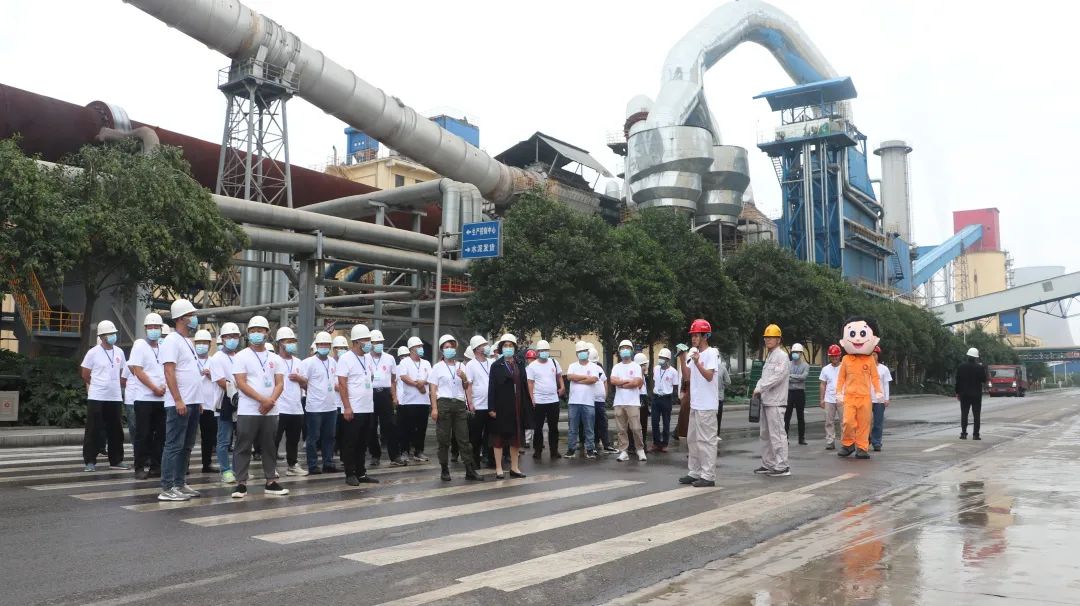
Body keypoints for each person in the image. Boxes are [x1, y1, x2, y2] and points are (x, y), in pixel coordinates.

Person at [230, 315, 290, 498]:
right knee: (243, 445)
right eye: (253, 331)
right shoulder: (241, 356)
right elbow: (241, 383)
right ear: (248, 334)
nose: (256, 333)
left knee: (269, 446)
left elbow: (280, 383)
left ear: (267, 333)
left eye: (260, 330)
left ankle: (271, 481)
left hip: (270, 410)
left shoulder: (275, 358)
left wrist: (270, 401)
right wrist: (263, 400)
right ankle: (241, 483)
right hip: (248, 409)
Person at [158, 299, 205, 501]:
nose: (194, 318)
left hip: (192, 402)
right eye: (191, 315)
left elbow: (191, 372)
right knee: (174, 445)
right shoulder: (171, 340)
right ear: (181, 318)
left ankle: (179, 483)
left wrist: (198, 400)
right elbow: (169, 372)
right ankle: (167, 488)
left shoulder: (187, 341)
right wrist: (178, 400)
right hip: (179, 403)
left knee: (186, 446)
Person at [429, 335, 483, 482]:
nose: (450, 350)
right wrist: (434, 408)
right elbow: (433, 389)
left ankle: (469, 469)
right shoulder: (437, 367)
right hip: (443, 403)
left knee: (464, 438)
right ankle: (444, 469)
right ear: (442, 350)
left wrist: (464, 377)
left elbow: (466, 386)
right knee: (443, 439)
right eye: (446, 347)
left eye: (452, 347)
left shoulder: (461, 366)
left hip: (459, 404)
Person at [80, 320, 128, 472]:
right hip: (97, 397)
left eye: (113, 333)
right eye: (109, 334)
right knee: (93, 429)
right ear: (101, 336)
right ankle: (90, 461)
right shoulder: (93, 353)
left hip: (114, 397)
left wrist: (115, 385)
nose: (113, 336)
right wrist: (97, 385)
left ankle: (116, 460)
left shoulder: (119, 352)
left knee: (116, 430)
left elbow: (123, 373)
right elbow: (85, 374)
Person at [336, 324, 380, 486]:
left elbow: (370, 377)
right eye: (366, 340)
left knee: (363, 443)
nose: (369, 343)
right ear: (356, 341)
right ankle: (350, 473)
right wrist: (347, 407)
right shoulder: (346, 358)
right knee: (350, 443)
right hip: (353, 408)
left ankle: (361, 473)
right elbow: (342, 384)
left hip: (367, 408)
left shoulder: (368, 358)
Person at [678, 319, 720, 486]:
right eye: (692, 335)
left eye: (696, 335)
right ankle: (694, 472)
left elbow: (709, 376)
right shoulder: (693, 353)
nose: (693, 338)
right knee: (693, 440)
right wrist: (683, 359)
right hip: (695, 404)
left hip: (707, 405)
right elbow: (687, 377)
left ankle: (708, 476)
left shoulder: (712, 353)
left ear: (705, 336)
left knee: (706, 441)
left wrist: (697, 362)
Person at [836, 317, 883, 459]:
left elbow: (875, 377)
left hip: (864, 397)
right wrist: (839, 392)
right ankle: (848, 444)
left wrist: (878, 391)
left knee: (864, 423)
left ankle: (862, 448)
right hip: (850, 397)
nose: (857, 339)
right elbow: (841, 378)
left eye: (862, 334)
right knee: (848, 422)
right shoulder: (845, 359)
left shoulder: (869, 360)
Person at [127, 313, 166, 479]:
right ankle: (139, 467)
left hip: (162, 398)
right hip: (144, 398)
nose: (154, 330)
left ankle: (156, 466)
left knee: (161, 434)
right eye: (151, 327)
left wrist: (164, 387)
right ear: (145, 329)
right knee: (143, 434)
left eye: (157, 327)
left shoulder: (163, 347)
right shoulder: (140, 345)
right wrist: (154, 388)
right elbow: (138, 370)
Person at [752, 324, 792, 477]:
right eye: (766, 337)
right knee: (765, 435)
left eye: (771, 337)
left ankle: (782, 465)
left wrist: (761, 388)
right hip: (766, 400)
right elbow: (764, 377)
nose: (768, 340)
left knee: (777, 435)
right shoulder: (769, 356)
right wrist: (758, 388)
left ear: (778, 339)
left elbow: (777, 377)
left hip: (776, 401)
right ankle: (768, 463)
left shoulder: (782, 356)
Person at [487, 334, 527, 479]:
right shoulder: (496, 365)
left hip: (516, 406)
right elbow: (491, 388)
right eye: (505, 346)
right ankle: (498, 468)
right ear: (501, 348)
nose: (508, 348)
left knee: (515, 438)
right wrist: (491, 408)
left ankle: (514, 468)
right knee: (499, 438)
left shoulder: (519, 363)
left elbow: (524, 385)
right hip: (501, 406)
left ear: (515, 348)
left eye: (510, 346)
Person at [301, 331, 339, 474]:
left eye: (326, 344)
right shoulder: (308, 363)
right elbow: (303, 382)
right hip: (315, 407)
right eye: (321, 344)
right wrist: (313, 392)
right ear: (316, 345)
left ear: (330, 346)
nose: (324, 346)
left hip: (331, 406)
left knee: (329, 437)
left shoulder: (333, 362)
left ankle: (328, 463)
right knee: (313, 437)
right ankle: (312, 465)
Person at [273, 327, 308, 477]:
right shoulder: (273, 360)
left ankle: (292, 465)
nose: (292, 344)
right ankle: (271, 466)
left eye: (293, 341)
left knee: (293, 440)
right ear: (280, 343)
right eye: (288, 341)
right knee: (274, 439)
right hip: (279, 408)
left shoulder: (299, 362)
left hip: (296, 408)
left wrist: (300, 379)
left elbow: (306, 385)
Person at [209, 322, 241, 484]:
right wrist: (238, 389)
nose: (232, 339)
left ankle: (237, 469)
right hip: (224, 404)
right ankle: (226, 470)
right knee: (224, 440)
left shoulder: (240, 357)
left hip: (242, 403)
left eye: (235, 336)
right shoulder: (217, 358)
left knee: (240, 439)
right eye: (229, 336)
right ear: (222, 338)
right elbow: (221, 381)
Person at [367, 330, 404, 467]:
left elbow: (393, 379)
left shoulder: (389, 358)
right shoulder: (365, 358)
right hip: (370, 394)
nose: (379, 344)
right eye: (376, 342)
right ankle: (375, 454)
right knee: (371, 426)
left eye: (381, 342)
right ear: (371, 343)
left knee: (390, 425)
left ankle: (395, 456)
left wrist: (394, 397)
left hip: (385, 394)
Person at [526, 339, 564, 460]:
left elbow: (559, 376)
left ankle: (554, 450)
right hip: (539, 401)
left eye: (546, 350)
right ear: (537, 352)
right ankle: (537, 450)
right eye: (542, 350)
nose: (544, 352)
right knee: (538, 428)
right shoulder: (532, 366)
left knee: (554, 427)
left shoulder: (554, 362)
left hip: (553, 400)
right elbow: (530, 383)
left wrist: (562, 386)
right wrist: (532, 398)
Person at [396, 336, 432, 462]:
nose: (421, 348)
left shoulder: (426, 363)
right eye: (418, 346)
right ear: (411, 349)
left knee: (421, 428)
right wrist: (417, 384)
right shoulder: (405, 362)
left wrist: (423, 382)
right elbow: (403, 377)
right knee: (407, 428)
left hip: (424, 401)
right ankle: (404, 451)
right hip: (409, 402)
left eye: (421, 346)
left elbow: (431, 378)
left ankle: (419, 451)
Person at [610, 339, 646, 463]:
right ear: (619, 351)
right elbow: (613, 381)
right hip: (619, 402)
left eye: (627, 348)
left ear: (631, 350)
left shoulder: (636, 366)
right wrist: (628, 381)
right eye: (622, 348)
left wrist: (621, 383)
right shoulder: (616, 367)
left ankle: (640, 449)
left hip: (633, 402)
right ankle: (623, 451)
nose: (625, 350)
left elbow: (637, 382)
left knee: (636, 428)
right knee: (621, 429)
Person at [465, 335, 494, 469]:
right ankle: (475, 461)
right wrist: (470, 403)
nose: (486, 347)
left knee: (491, 434)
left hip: (491, 405)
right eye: (483, 345)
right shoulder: (471, 365)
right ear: (477, 348)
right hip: (477, 405)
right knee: (475, 436)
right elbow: (469, 385)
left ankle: (490, 459)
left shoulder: (492, 362)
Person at [565, 341, 598, 459]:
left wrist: (577, 380)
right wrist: (585, 377)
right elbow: (569, 376)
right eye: (579, 351)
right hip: (574, 402)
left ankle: (590, 449)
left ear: (588, 352)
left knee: (589, 428)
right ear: (576, 353)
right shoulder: (572, 366)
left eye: (584, 351)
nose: (582, 353)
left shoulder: (594, 366)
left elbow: (593, 379)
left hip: (588, 402)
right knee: (572, 428)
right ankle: (571, 449)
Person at [192, 330, 217, 474]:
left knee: (208, 437)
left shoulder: (214, 361)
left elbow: (220, 380)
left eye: (204, 343)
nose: (201, 345)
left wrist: (211, 375)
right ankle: (184, 466)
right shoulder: (190, 360)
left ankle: (206, 464)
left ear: (209, 344)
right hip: (193, 402)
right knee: (188, 437)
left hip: (209, 405)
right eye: (198, 343)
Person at [955, 346, 988, 440]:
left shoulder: (961, 367)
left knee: (964, 414)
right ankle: (976, 435)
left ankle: (963, 434)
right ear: (976, 357)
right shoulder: (979, 367)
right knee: (976, 415)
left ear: (968, 356)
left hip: (964, 394)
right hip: (976, 395)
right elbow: (984, 379)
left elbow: (958, 381)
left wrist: (957, 392)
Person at [589, 346, 617, 454]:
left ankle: (606, 444)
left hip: (600, 401)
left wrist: (605, 395)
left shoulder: (599, 368)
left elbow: (605, 381)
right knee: (591, 424)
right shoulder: (586, 369)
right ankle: (592, 445)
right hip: (590, 401)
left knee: (603, 423)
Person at [650, 348, 678, 453]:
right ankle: (656, 443)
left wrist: (674, 398)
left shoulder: (673, 372)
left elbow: (675, 386)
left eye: (663, 358)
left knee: (666, 422)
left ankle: (665, 443)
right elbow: (654, 381)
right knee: (654, 422)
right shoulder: (656, 368)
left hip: (666, 398)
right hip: (656, 398)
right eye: (660, 357)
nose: (660, 359)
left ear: (668, 359)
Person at [818, 344, 843, 450]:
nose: (834, 358)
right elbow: (822, 384)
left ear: (840, 355)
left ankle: (845, 442)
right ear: (829, 357)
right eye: (832, 356)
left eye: (836, 355)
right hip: (829, 399)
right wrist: (822, 399)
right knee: (829, 421)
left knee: (844, 421)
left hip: (842, 398)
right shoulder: (825, 369)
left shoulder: (845, 367)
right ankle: (830, 441)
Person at [785, 343, 810, 446]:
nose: (795, 353)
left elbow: (803, 377)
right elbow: (785, 377)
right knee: (787, 416)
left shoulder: (805, 365)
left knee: (800, 416)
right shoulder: (787, 364)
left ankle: (801, 438)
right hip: (789, 392)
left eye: (797, 352)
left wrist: (791, 376)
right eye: (794, 352)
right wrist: (796, 377)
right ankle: (785, 438)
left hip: (800, 393)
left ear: (801, 353)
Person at [332, 335, 350, 466]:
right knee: (334, 433)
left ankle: (345, 458)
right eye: (339, 348)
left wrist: (344, 387)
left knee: (345, 433)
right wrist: (344, 387)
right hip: (334, 404)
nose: (342, 350)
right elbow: (335, 385)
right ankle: (331, 456)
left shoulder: (348, 362)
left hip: (346, 404)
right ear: (334, 349)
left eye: (344, 348)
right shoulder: (330, 363)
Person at [871, 346, 893, 451]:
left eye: (874, 355)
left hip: (879, 400)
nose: (873, 357)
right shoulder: (865, 367)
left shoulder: (884, 369)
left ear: (878, 356)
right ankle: (866, 440)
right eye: (871, 355)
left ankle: (876, 442)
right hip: (866, 399)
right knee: (865, 422)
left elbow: (885, 384)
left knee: (878, 423)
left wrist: (886, 398)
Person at [674, 343, 691, 440]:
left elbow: (686, 379)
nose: (679, 356)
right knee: (684, 415)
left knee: (685, 416)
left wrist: (682, 391)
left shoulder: (689, 362)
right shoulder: (683, 362)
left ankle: (679, 432)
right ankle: (678, 432)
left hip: (687, 393)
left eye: (680, 354)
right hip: (684, 393)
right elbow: (681, 378)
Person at [634, 352, 651, 449]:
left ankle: (643, 443)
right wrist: (640, 372)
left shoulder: (645, 377)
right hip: (638, 398)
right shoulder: (637, 376)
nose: (646, 367)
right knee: (636, 424)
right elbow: (639, 386)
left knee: (644, 423)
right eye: (644, 365)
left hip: (644, 398)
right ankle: (634, 445)